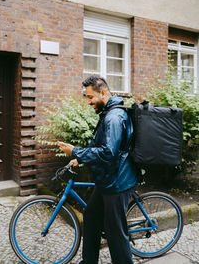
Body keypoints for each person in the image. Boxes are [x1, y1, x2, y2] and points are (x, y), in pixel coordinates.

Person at [58, 75, 137, 264]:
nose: (88, 102)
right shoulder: (108, 113)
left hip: (118, 182)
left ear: (103, 93)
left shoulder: (114, 117)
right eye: (86, 97)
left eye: (90, 97)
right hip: (107, 180)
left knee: (115, 232)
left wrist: (75, 150)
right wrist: (78, 158)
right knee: (92, 216)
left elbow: (109, 153)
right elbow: (97, 143)